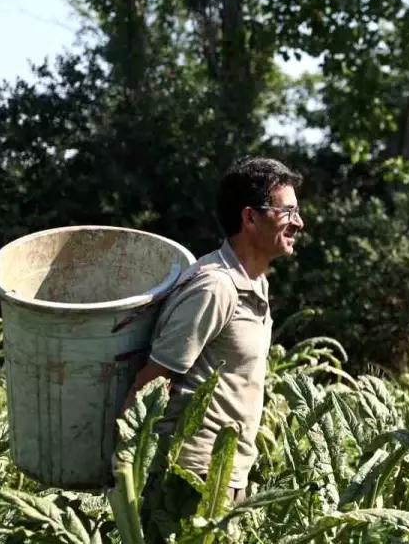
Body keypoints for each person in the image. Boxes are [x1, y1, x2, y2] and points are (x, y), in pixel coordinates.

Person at [123, 156, 303, 540]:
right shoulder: (215, 288)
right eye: (287, 211)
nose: (298, 222)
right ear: (250, 218)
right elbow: (152, 383)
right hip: (188, 482)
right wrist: (121, 467)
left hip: (225, 477)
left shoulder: (255, 284)